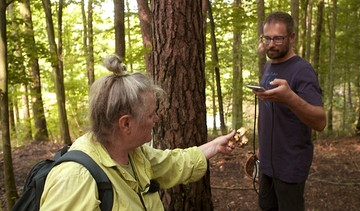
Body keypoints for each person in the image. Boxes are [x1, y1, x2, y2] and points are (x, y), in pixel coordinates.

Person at [40, 54, 236, 210]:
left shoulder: (134, 154)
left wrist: (215, 145)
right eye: (151, 115)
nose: (156, 120)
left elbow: (175, 162)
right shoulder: (75, 179)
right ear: (126, 124)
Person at [252, 12, 326, 211]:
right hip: (267, 162)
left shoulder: (302, 71)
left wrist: (290, 98)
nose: (271, 44)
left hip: (290, 165)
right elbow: (271, 115)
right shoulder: (269, 65)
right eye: (267, 38)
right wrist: (261, 150)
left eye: (278, 38)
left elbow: (320, 121)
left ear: (291, 37)